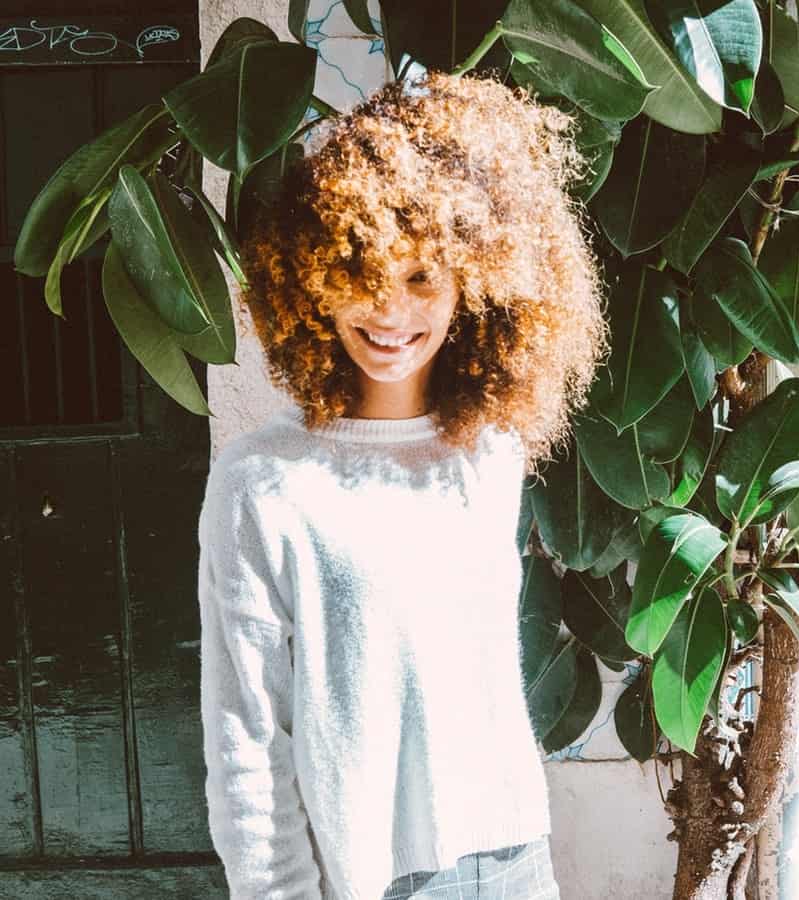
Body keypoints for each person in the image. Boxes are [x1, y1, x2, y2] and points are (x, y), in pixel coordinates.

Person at [196, 69, 607, 900]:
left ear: (475, 285)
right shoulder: (263, 484)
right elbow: (246, 738)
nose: (391, 310)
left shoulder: (489, 454)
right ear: (313, 276)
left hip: (515, 859)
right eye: (363, 271)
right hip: (372, 881)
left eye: (423, 277)